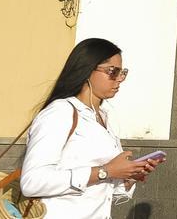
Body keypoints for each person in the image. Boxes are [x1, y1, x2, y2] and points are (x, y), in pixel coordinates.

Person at [20, 38, 162, 218]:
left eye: (122, 72)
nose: (119, 79)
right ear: (87, 70)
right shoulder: (60, 112)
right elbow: (32, 181)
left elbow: (100, 188)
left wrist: (128, 176)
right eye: (112, 71)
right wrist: (106, 171)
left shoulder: (102, 117)